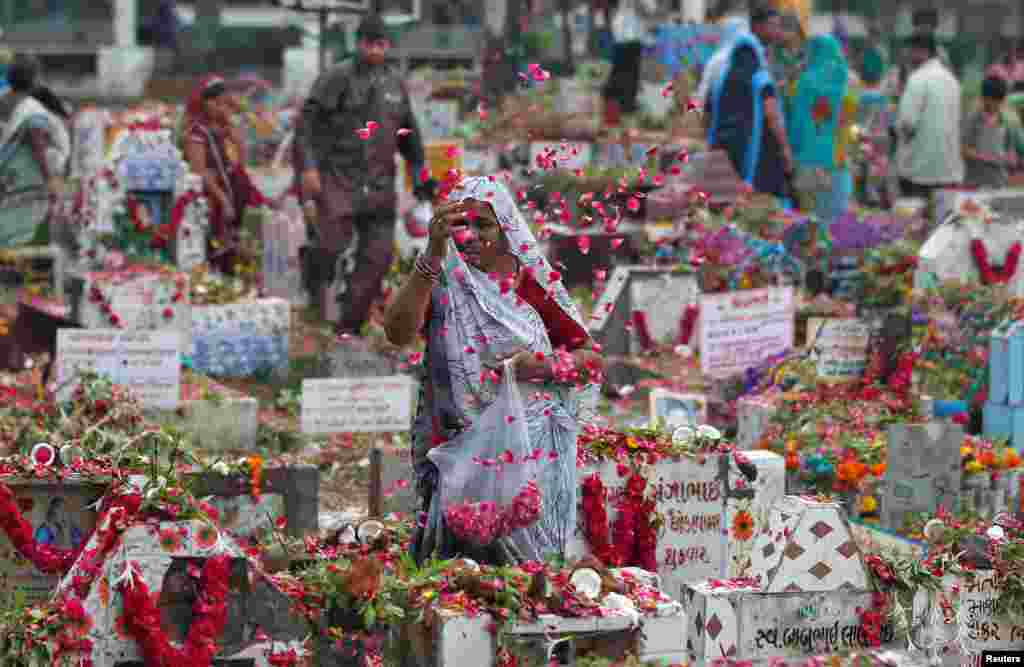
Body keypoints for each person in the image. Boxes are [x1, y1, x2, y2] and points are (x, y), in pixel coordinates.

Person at [384, 176, 603, 565]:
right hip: (461, 453)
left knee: (531, 580)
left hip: (530, 460)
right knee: (463, 581)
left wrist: (538, 367)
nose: (469, 236)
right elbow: (397, 332)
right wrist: (431, 254)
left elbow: (589, 360)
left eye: (482, 225)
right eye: (460, 225)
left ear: (505, 228)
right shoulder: (443, 283)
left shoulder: (530, 285)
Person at [296, 14, 433, 335]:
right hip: (339, 179)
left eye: (381, 44)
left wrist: (420, 176)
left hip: (381, 185)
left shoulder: (395, 85)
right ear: (358, 44)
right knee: (331, 245)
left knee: (377, 259)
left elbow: (409, 136)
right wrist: (309, 167)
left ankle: (348, 329)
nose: (375, 50)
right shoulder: (336, 77)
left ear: (388, 46)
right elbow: (307, 126)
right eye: (369, 44)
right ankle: (313, 277)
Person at [706, 5, 793, 200]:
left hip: (725, 147)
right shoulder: (758, 70)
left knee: (726, 204)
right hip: (756, 155)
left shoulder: (727, 69)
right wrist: (785, 148)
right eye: (773, 26)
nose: (777, 31)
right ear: (757, 27)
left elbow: (708, 108)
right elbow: (771, 112)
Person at [183, 75, 264, 275]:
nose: (219, 107)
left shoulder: (223, 128)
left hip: (232, 189)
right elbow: (200, 172)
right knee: (215, 243)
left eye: (222, 102)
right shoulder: (196, 133)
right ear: (203, 103)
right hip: (211, 195)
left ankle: (240, 274)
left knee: (247, 234)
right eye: (214, 102)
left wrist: (235, 136)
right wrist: (223, 199)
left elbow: (241, 163)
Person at [0, 54, 70, 247]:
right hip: (21, 179)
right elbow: (38, 146)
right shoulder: (31, 110)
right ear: (35, 79)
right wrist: (51, 180)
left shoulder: (5, 99)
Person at [788, 34, 850, 222]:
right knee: (833, 219)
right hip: (837, 161)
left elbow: (797, 124)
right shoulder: (845, 83)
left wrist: (792, 151)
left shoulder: (803, 83)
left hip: (808, 159)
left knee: (809, 221)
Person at [896, 31, 964, 199]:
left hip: (919, 173)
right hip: (949, 171)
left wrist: (895, 131)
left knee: (916, 223)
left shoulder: (917, 79)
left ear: (922, 52)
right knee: (943, 223)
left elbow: (908, 125)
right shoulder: (952, 81)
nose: (907, 56)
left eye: (910, 51)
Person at [962, 76, 1018, 189]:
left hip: (999, 182)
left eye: (1001, 101)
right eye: (995, 101)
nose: (998, 105)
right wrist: (988, 158)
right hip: (975, 183)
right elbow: (964, 150)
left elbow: (1009, 149)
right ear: (984, 98)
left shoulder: (1005, 119)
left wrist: (1011, 157)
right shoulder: (973, 119)